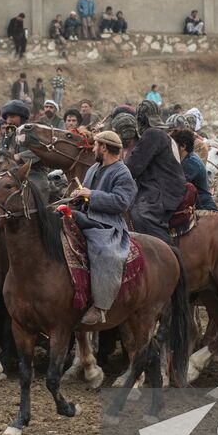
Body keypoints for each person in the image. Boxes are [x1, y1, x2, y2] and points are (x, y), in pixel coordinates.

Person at [68, 130, 137, 326]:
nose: (93, 148)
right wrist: (78, 197)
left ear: (104, 147)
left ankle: (101, 306)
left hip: (107, 224)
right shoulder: (94, 168)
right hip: (84, 215)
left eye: (96, 145)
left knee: (105, 252)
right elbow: (87, 195)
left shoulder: (123, 173)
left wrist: (91, 195)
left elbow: (121, 202)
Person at [119, 101, 185, 245]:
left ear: (141, 119)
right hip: (158, 185)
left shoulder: (152, 134)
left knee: (141, 215)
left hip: (163, 188)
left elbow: (133, 168)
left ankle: (167, 251)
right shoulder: (156, 134)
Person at [167, 116, 216, 212]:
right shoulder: (182, 158)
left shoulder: (192, 162)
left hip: (202, 206)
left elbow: (177, 185)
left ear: (183, 146)